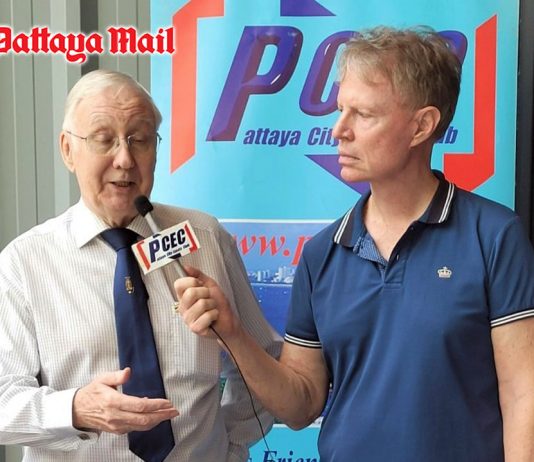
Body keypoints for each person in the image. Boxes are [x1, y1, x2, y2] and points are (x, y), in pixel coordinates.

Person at [174, 26, 534, 461]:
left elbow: (523, 395)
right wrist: (233, 333)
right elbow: (301, 406)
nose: (338, 130)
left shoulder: (494, 236)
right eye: (340, 110)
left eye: (363, 114)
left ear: (422, 125)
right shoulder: (322, 253)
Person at [0, 69, 282, 462]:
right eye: (104, 139)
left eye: (140, 139)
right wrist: (76, 409)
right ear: (67, 150)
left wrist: (231, 449)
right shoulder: (25, 263)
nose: (124, 159)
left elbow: (262, 361)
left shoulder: (205, 238)